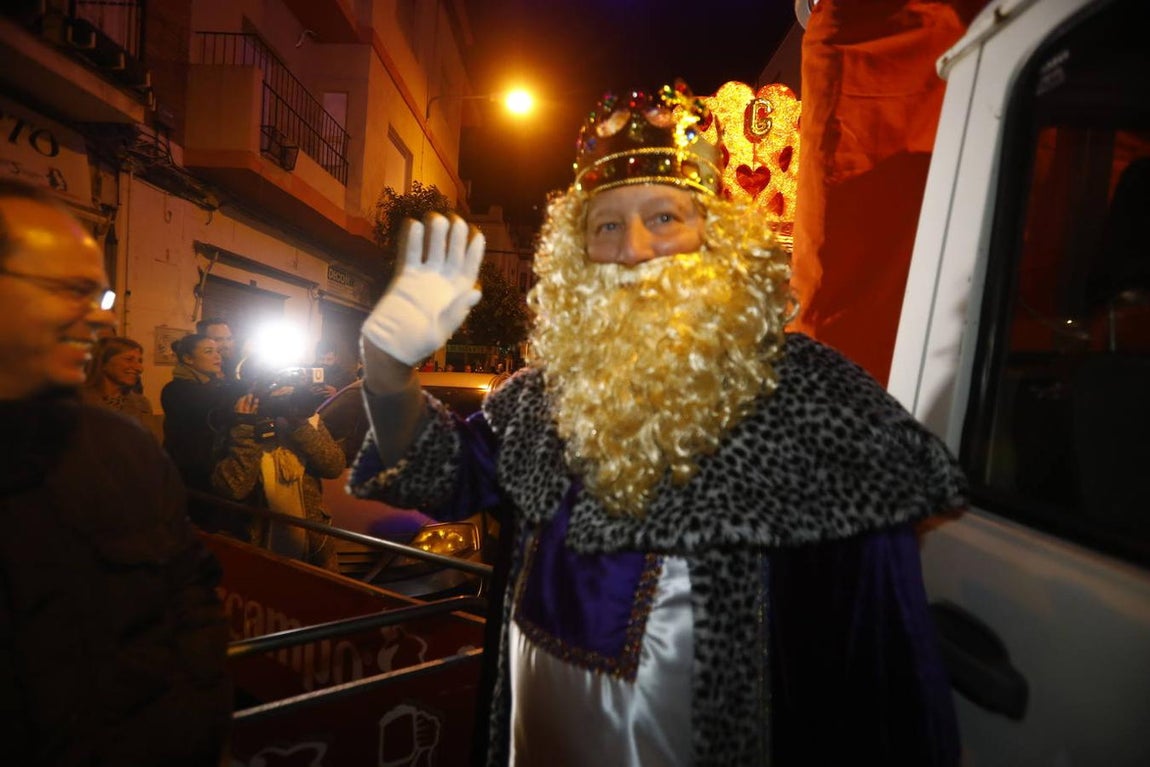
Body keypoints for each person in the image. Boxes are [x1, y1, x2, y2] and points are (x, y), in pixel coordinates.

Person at [349, 82, 967, 766]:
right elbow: (440, 472)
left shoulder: (810, 398)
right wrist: (387, 371)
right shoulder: (538, 399)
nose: (635, 250)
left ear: (715, 238)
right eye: (606, 225)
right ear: (577, 257)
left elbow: (888, 680)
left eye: (664, 217)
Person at [0, 179, 231, 763]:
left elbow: (191, 601)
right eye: (71, 291)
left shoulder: (123, 451)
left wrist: (190, 724)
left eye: (100, 298)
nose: (99, 322)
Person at [211, 367, 345, 570]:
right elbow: (234, 488)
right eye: (279, 393)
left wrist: (299, 425)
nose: (285, 400)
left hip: (311, 548)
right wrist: (245, 429)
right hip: (257, 549)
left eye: (289, 393)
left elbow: (333, 467)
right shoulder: (239, 427)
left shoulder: (306, 421)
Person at [80, 335, 153, 425]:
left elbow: (151, 437)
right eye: (129, 359)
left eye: (140, 361)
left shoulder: (142, 404)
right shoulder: (76, 403)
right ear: (103, 362)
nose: (139, 368)